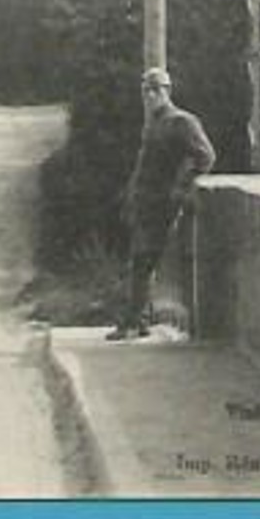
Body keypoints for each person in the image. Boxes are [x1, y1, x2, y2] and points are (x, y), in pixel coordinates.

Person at [108, 67, 217, 341]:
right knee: (141, 262)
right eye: (147, 90)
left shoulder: (181, 121)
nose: (151, 95)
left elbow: (206, 156)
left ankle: (132, 322)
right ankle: (140, 321)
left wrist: (180, 187)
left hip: (162, 206)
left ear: (168, 91)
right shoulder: (155, 122)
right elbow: (145, 167)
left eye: (157, 89)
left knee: (143, 262)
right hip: (145, 204)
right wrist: (131, 195)